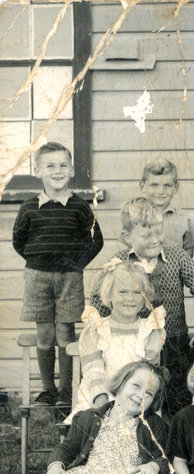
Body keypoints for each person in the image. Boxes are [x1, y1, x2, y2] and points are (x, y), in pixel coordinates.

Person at [91, 197, 194, 417]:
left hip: (174, 342)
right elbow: (99, 296)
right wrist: (104, 329)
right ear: (127, 237)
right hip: (135, 342)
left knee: (177, 397)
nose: (154, 240)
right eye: (146, 235)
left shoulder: (177, 257)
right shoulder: (119, 261)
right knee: (141, 394)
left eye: (158, 233)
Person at [13, 142, 104, 407]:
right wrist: (37, 262)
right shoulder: (29, 207)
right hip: (37, 278)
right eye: (50, 165)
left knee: (65, 332)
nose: (57, 171)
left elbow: (96, 240)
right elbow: (19, 241)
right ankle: (47, 390)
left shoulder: (80, 207)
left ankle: (65, 391)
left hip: (69, 279)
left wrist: (77, 265)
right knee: (44, 333)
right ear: (38, 171)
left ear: (72, 170)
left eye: (63, 165)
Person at [40, 361, 167, 474]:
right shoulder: (89, 417)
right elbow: (67, 448)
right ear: (121, 383)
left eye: (148, 393)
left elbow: (165, 456)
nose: (140, 395)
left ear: (154, 400)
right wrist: (56, 466)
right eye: (136, 385)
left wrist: (153, 466)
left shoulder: (152, 424)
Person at [67, 261, 165, 423]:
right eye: (123, 291)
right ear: (109, 295)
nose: (130, 298)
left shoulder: (150, 330)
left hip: (136, 399)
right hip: (100, 397)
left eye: (137, 292)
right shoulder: (97, 329)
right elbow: (93, 371)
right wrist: (102, 402)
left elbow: (148, 373)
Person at [137, 158, 194, 258]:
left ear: (176, 187)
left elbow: (188, 253)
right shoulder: (134, 216)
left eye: (167, 185)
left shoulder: (184, 219)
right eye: (154, 185)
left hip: (174, 268)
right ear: (143, 186)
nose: (161, 191)